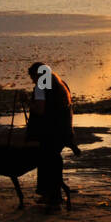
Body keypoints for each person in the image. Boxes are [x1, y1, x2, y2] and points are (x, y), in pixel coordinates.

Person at [23, 61, 75, 209]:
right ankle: (53, 195)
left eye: (32, 77)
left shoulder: (41, 86)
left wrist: (27, 101)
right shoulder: (60, 84)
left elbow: (40, 110)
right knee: (53, 162)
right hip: (63, 130)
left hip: (49, 131)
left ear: (37, 75)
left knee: (47, 162)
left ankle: (52, 197)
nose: (32, 81)